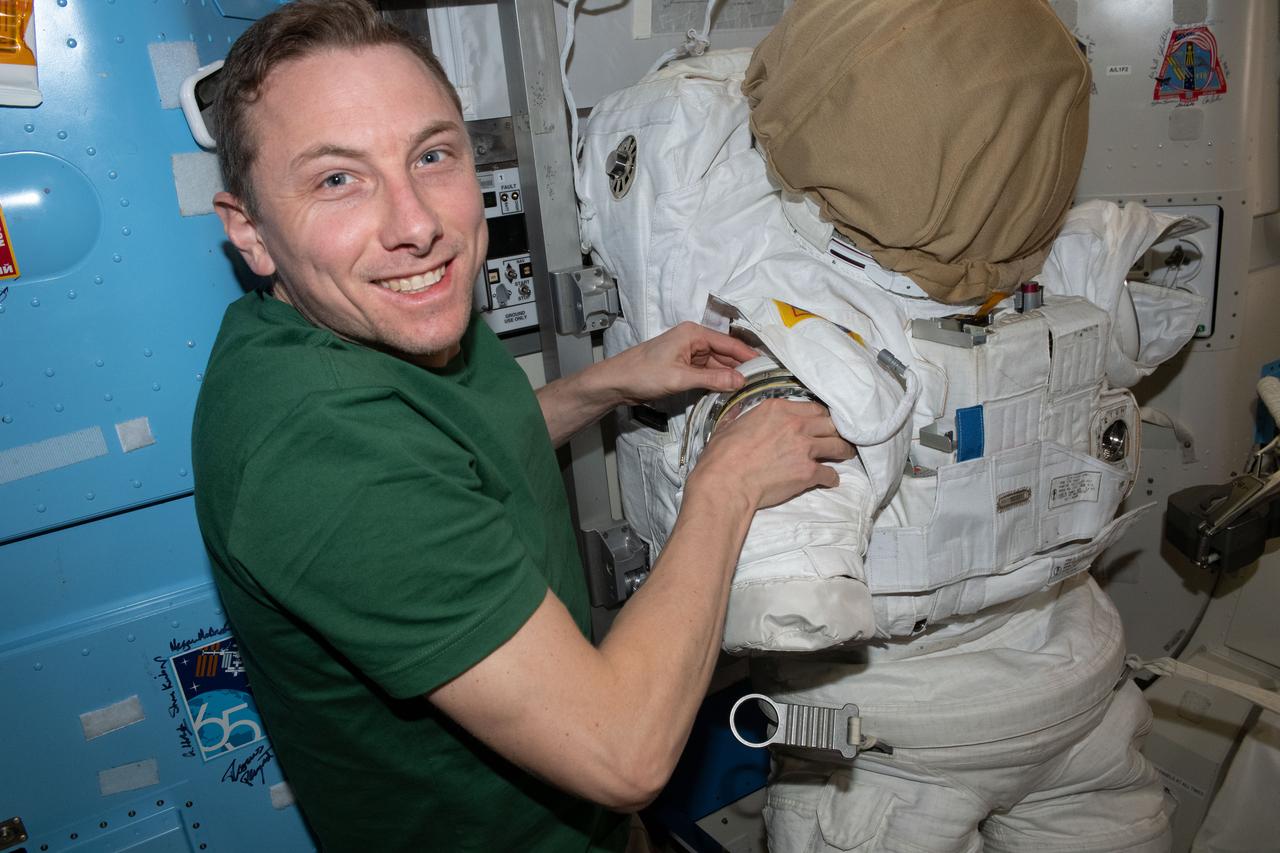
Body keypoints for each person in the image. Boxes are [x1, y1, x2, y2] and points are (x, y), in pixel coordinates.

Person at [190, 2, 854, 851]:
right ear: (249, 230)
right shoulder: (314, 448)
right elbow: (624, 748)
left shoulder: (358, 319)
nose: (417, 225)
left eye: (432, 156)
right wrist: (728, 481)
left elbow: (448, 457)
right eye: (337, 179)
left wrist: (610, 383)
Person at [577, 0, 1204, 850]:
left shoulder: (818, 337)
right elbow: (1162, 304)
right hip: (1078, 688)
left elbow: (785, 603)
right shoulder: (1078, 269)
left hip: (899, 740)